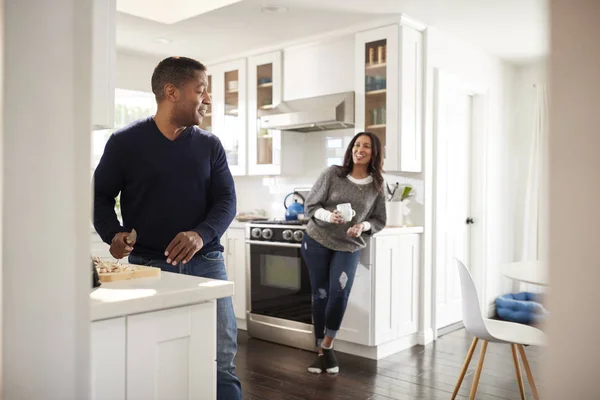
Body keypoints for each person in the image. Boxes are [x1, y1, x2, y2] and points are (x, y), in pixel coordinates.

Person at [93, 56, 242, 399]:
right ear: (172, 91)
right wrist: (112, 233)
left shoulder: (209, 145)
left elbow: (226, 202)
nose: (207, 99)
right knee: (158, 360)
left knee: (221, 360)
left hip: (207, 264)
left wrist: (200, 234)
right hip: (149, 268)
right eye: (201, 90)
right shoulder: (125, 142)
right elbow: (100, 197)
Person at [301, 131, 387, 375]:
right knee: (320, 294)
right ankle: (321, 353)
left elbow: (379, 219)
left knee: (339, 294)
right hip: (317, 239)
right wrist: (330, 216)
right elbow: (310, 206)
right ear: (351, 149)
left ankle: (328, 346)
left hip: (350, 245)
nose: (360, 149)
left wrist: (363, 226)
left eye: (366, 146)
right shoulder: (333, 174)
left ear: (374, 153)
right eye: (357, 145)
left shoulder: (378, 184)